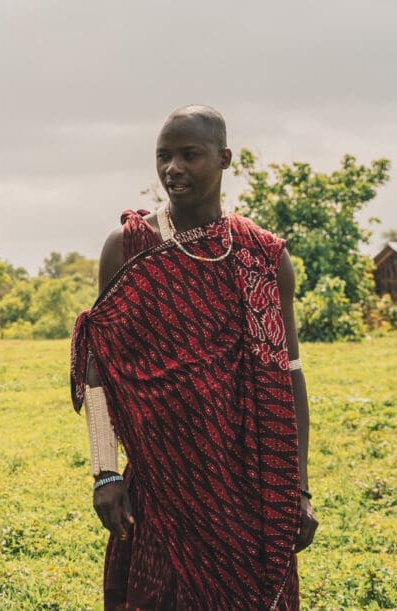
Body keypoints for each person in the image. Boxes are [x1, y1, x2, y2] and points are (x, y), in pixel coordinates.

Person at [71, 105, 318, 609]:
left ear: (225, 158)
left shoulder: (262, 256)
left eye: (190, 156)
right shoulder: (130, 246)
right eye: (163, 157)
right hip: (159, 482)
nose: (173, 169)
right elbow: (99, 366)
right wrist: (106, 471)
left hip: (247, 483)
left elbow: (288, 373)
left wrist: (300, 490)